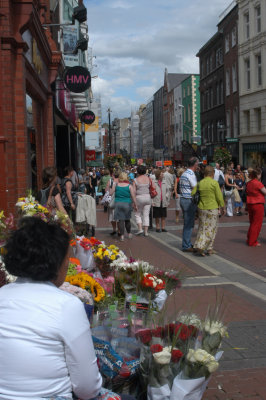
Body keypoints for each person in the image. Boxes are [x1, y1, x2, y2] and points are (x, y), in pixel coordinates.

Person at [0, 217, 102, 399]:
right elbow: (88, 388)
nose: (69, 264)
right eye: (67, 258)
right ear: (55, 263)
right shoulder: (67, 306)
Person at [192, 165, 225, 256]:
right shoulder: (214, 183)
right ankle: (201, 246)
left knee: (202, 227)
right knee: (211, 228)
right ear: (212, 173)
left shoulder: (200, 183)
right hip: (212, 208)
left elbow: (193, 193)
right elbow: (219, 197)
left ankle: (209, 248)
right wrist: (222, 207)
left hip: (201, 208)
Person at [109, 172, 137, 242]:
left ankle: (122, 236)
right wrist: (135, 204)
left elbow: (110, 193)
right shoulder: (129, 186)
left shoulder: (115, 185)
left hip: (118, 204)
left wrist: (111, 187)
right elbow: (133, 196)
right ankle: (129, 233)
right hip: (127, 204)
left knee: (120, 220)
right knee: (127, 219)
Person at [179, 157, 199, 252]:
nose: (198, 165)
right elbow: (195, 187)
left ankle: (186, 243)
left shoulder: (184, 173)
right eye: (197, 164)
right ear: (195, 164)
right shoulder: (190, 174)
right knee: (189, 224)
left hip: (183, 198)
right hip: (188, 200)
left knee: (187, 222)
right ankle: (186, 245)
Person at [245, 168, 266, 247]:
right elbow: (265, 192)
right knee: (257, 223)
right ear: (258, 175)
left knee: (252, 222)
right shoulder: (258, 183)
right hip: (258, 204)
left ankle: (249, 239)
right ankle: (253, 241)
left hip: (250, 203)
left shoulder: (249, 183)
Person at [133, 165, 152, 236]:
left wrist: (133, 202)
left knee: (137, 214)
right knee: (146, 215)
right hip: (148, 197)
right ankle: (146, 232)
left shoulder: (135, 180)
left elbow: (134, 192)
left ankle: (140, 229)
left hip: (139, 198)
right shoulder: (148, 178)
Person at [105, 170, 120, 236]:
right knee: (119, 216)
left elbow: (106, 190)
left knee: (111, 215)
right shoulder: (121, 181)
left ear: (113, 175)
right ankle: (119, 230)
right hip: (119, 199)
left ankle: (114, 229)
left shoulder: (110, 181)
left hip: (112, 200)